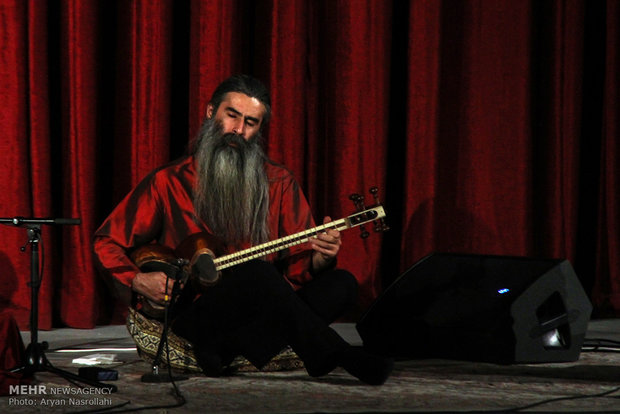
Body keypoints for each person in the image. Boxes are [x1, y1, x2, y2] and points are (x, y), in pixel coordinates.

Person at [93, 74, 393, 385]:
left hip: (258, 313)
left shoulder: (278, 182)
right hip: (199, 314)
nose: (238, 130)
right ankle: (335, 354)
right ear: (212, 113)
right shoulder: (168, 181)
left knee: (341, 283)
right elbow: (106, 241)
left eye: (251, 122)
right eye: (231, 116)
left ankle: (221, 352)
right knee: (258, 273)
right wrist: (139, 280)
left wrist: (319, 260)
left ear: (259, 129)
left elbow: (294, 273)